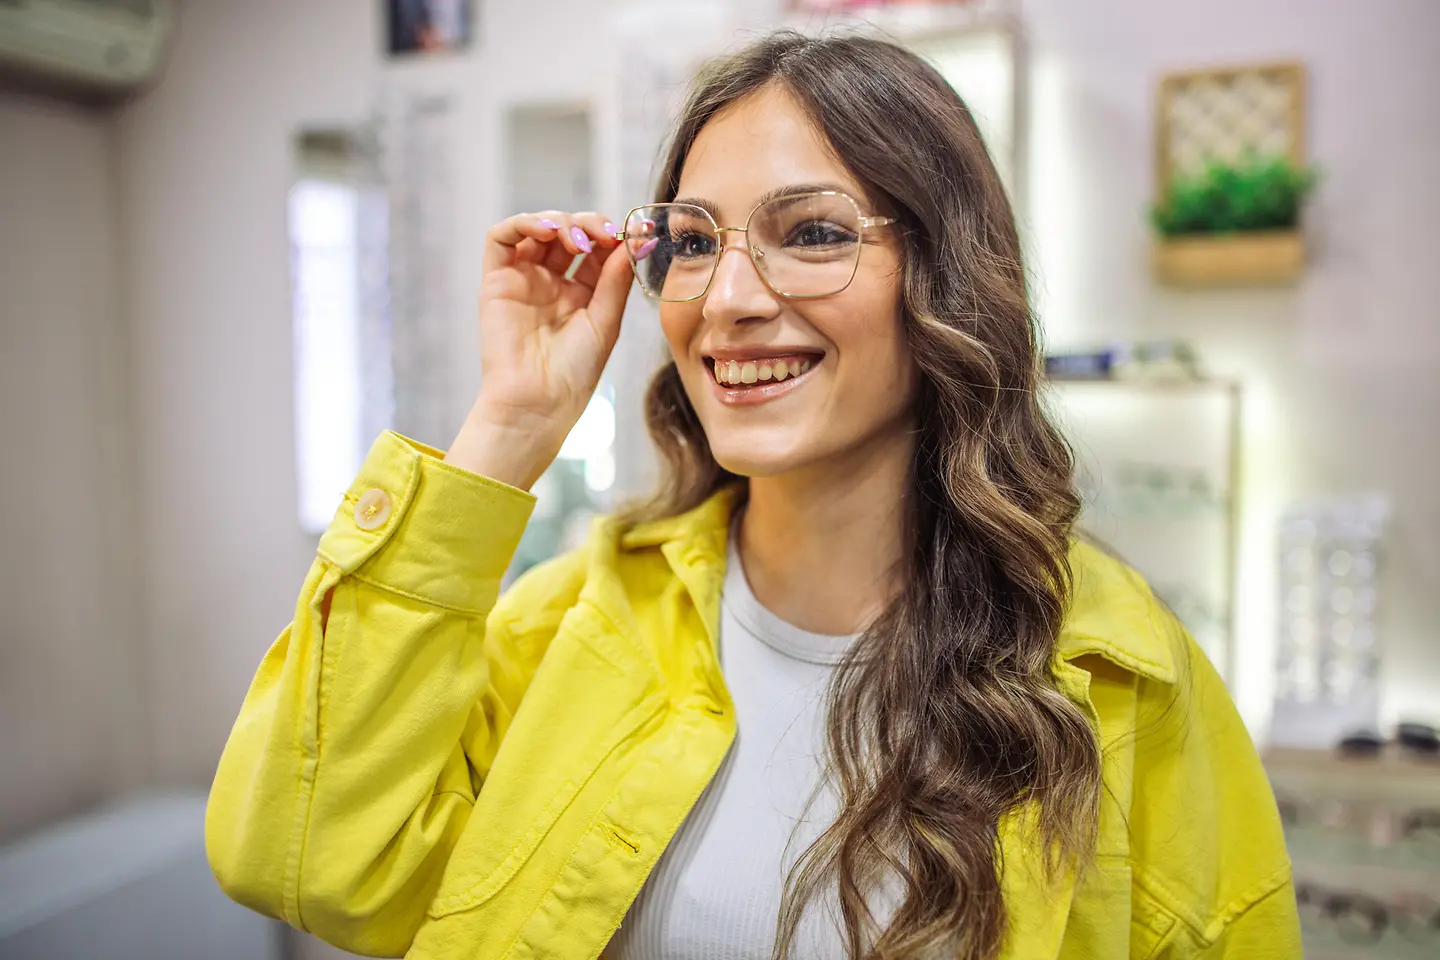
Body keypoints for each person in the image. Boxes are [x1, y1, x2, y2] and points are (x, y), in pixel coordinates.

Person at [206, 31, 1301, 960]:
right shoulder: (579, 624)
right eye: (691, 243)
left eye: (813, 233)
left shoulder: (1120, 682)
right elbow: (298, 859)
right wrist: (507, 431)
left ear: (947, 278)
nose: (728, 298)